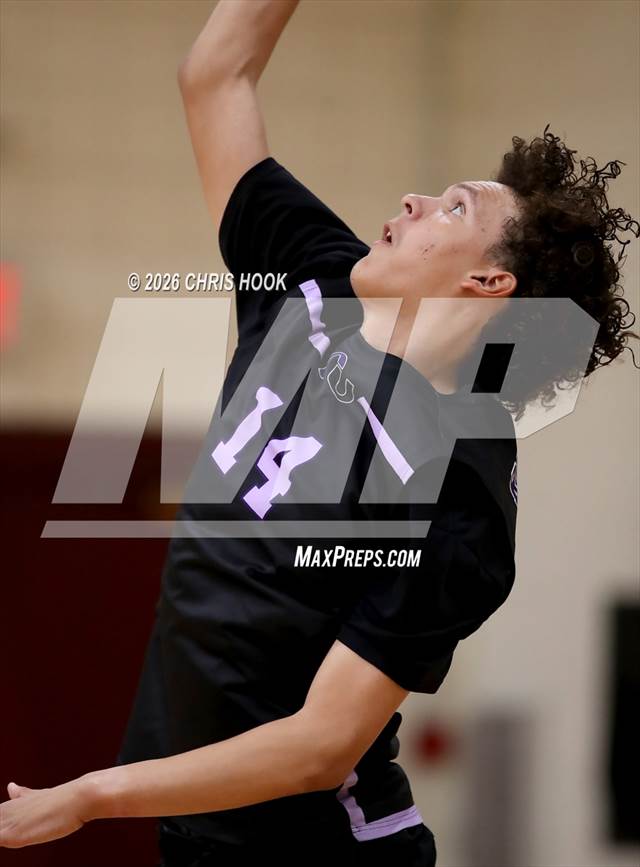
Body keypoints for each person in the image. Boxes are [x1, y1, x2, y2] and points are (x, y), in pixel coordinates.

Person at [1, 2, 637, 865]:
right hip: (198, 840)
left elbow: (318, 746)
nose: (413, 199)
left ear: (491, 281)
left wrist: (92, 794)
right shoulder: (310, 278)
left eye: (451, 209)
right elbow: (215, 78)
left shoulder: (458, 493)